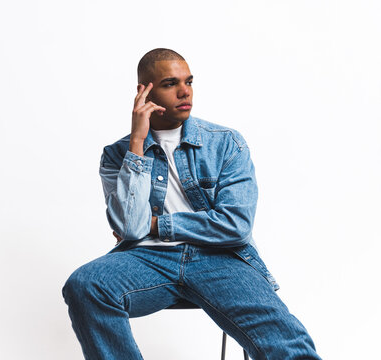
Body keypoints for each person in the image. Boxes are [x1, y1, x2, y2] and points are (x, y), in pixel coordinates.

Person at [62, 48, 321, 359]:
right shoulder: (118, 155)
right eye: (171, 83)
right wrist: (137, 144)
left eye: (189, 81)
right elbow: (131, 229)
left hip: (219, 258)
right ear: (145, 91)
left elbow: (235, 226)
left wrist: (157, 225)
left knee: (287, 341)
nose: (185, 91)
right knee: (86, 285)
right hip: (147, 259)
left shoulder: (225, 143)